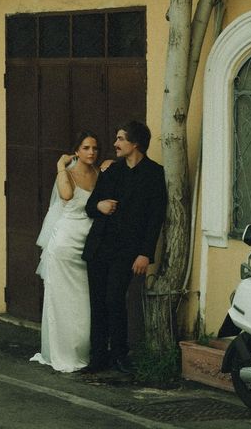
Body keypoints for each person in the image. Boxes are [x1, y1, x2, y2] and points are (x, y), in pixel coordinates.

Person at [82, 121, 167, 373]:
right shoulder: (111, 172)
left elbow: (155, 218)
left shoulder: (154, 174)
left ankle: (120, 355)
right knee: (98, 302)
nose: (115, 144)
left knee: (115, 299)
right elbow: (89, 206)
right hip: (100, 248)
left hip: (127, 251)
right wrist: (100, 207)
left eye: (120, 139)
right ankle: (98, 356)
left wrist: (145, 253)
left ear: (135, 144)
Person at [30, 131, 100, 372]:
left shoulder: (99, 173)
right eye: (86, 148)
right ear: (77, 151)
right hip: (65, 242)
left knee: (83, 299)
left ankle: (82, 350)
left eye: (94, 148)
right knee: (63, 299)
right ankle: (61, 352)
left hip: (88, 242)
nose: (91, 152)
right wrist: (61, 166)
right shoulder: (67, 174)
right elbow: (67, 195)